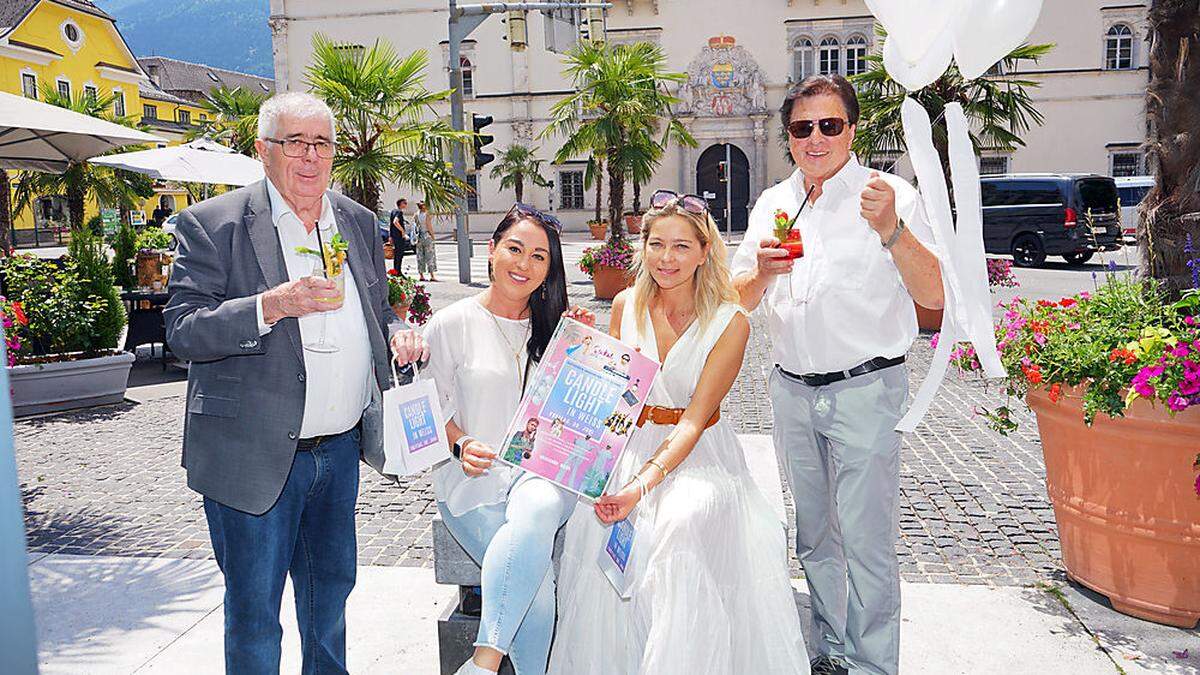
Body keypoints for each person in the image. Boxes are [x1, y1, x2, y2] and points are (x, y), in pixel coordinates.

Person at [164, 91, 428, 674]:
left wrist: (398, 331)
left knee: (328, 603)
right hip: (253, 458)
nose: (310, 157)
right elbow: (182, 331)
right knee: (255, 615)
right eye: (294, 143)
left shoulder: (357, 221)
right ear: (263, 151)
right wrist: (269, 306)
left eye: (321, 144)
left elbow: (376, 309)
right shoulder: (213, 224)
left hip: (337, 453)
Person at [731, 75, 944, 675]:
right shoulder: (774, 203)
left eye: (830, 125)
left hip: (866, 388)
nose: (816, 138)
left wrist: (893, 231)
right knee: (814, 536)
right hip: (792, 389)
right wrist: (765, 272)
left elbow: (935, 295)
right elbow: (737, 297)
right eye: (803, 128)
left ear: (852, 130)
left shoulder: (889, 195)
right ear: (789, 135)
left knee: (868, 539)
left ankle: (874, 665)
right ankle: (830, 649)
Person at [548, 190, 811, 675]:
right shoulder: (624, 304)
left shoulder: (731, 322)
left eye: (682, 247)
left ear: (705, 251)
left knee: (680, 524)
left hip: (699, 456)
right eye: (657, 244)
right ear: (642, 246)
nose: (666, 259)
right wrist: (580, 348)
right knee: (596, 533)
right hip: (629, 448)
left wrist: (641, 485)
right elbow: (609, 396)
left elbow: (693, 419)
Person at [421, 203, 596, 675]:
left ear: (550, 269)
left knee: (538, 503)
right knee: (536, 589)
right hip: (472, 481)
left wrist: (584, 354)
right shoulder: (451, 323)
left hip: (540, 478)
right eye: (515, 249)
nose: (524, 264)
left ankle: (483, 662)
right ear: (492, 249)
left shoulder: (561, 330)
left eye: (539, 256)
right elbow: (429, 410)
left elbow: (578, 416)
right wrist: (460, 444)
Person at [413, 201, 438, 282]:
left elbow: (415, 226)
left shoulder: (416, 214)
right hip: (427, 236)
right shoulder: (427, 214)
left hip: (419, 237)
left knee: (420, 256)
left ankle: (421, 275)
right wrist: (433, 236)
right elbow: (429, 226)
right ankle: (432, 275)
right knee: (430, 255)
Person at [389, 198, 410, 275]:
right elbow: (395, 222)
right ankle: (398, 272)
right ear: (400, 204)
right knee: (400, 254)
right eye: (404, 203)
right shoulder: (399, 212)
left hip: (394, 236)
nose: (406, 205)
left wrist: (390, 236)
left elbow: (390, 224)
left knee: (396, 255)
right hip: (399, 237)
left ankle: (396, 271)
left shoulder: (393, 211)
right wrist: (402, 231)